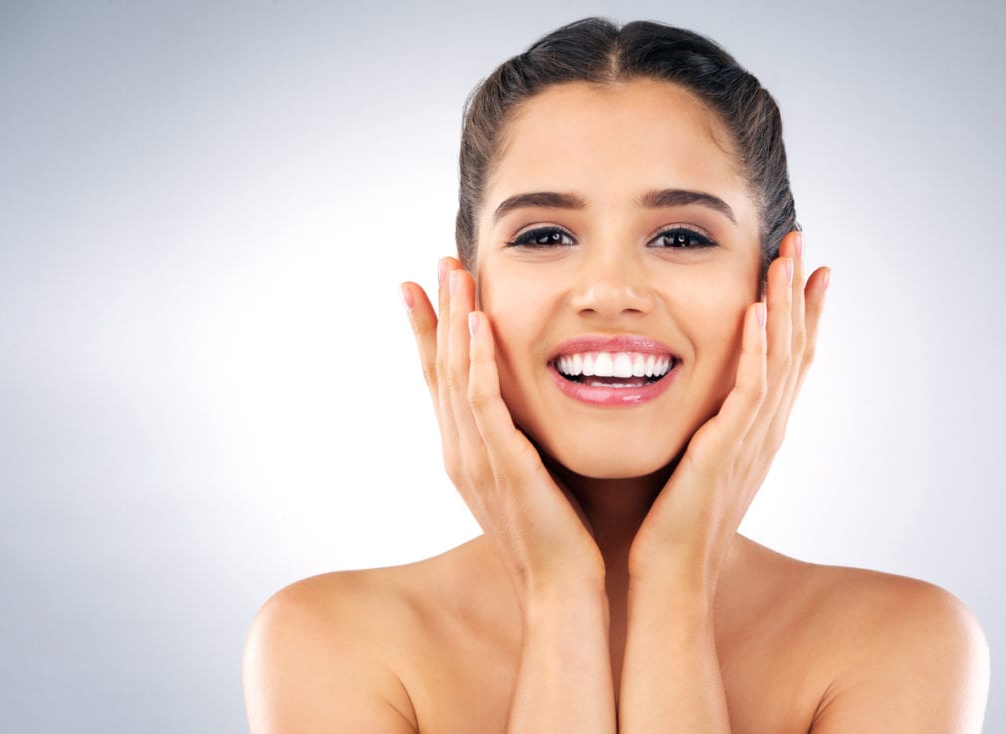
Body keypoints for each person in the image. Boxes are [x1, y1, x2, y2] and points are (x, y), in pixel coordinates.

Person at [242, 17, 989, 732]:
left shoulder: (903, 643)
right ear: (468, 288)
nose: (608, 290)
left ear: (776, 290)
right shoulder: (329, 641)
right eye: (544, 235)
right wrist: (558, 595)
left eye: (680, 236)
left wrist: (676, 590)